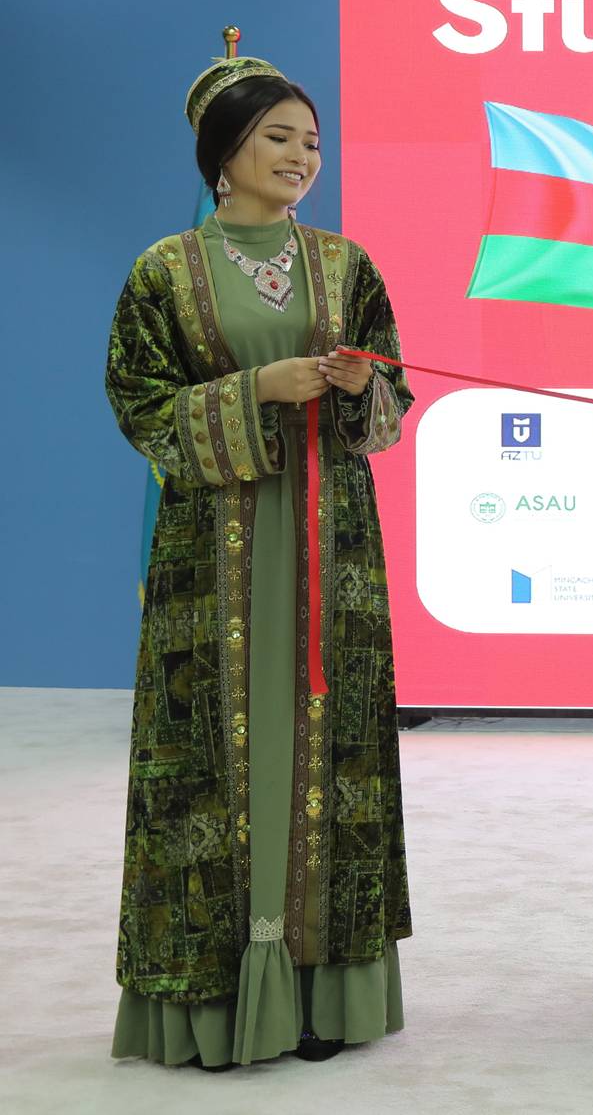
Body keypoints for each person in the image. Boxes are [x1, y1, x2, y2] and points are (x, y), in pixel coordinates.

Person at [106, 57, 414, 1069]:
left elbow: (390, 408)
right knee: (209, 758)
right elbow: (140, 407)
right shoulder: (163, 271)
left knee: (329, 749)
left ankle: (327, 998)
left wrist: (360, 386)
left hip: (332, 548)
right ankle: (213, 1004)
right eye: (278, 137)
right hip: (213, 556)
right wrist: (257, 391)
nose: (301, 156)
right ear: (224, 152)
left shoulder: (346, 265)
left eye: (311, 141)